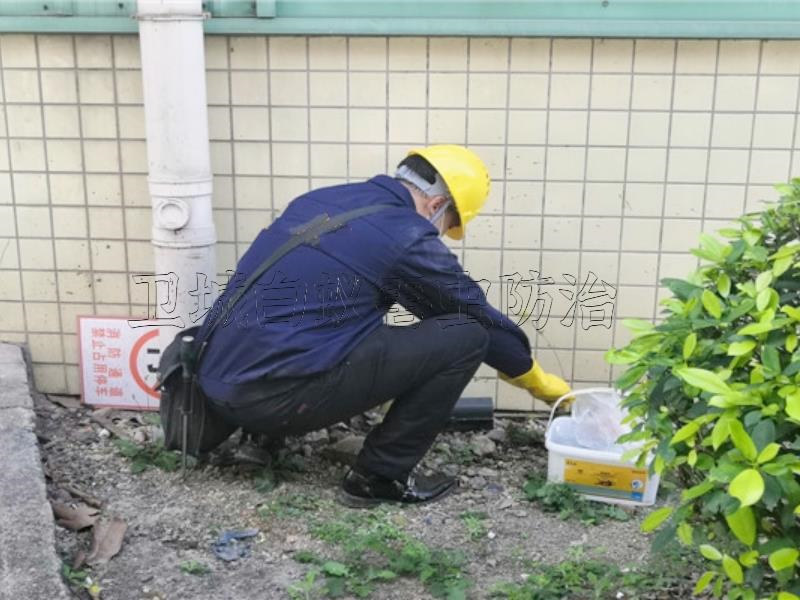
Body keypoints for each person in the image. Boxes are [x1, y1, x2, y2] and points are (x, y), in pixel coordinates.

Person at [195, 145, 571, 507]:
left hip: (215, 384)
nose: (441, 234)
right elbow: (478, 318)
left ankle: (259, 439)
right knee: (467, 336)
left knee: (311, 319)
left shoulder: (321, 200)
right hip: (277, 401)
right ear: (437, 205)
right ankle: (379, 477)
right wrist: (544, 385)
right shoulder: (405, 235)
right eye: (449, 225)